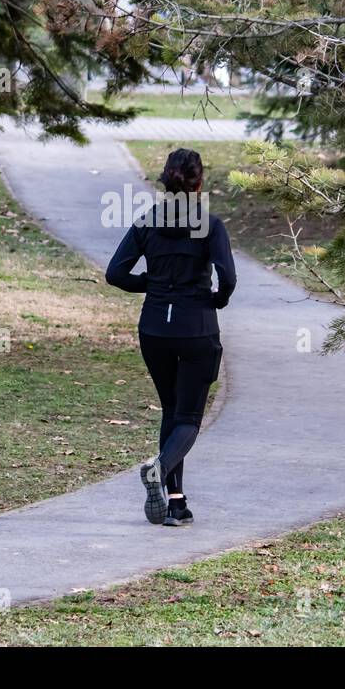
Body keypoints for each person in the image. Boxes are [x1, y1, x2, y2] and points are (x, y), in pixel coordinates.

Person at [105, 148, 236, 526]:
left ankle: (176, 503)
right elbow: (228, 278)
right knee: (190, 417)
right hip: (196, 328)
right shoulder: (209, 225)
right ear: (200, 183)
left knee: (171, 411)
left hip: (154, 330)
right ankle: (158, 471)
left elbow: (115, 273)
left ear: (166, 179)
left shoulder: (148, 222)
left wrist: (150, 283)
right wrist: (217, 300)